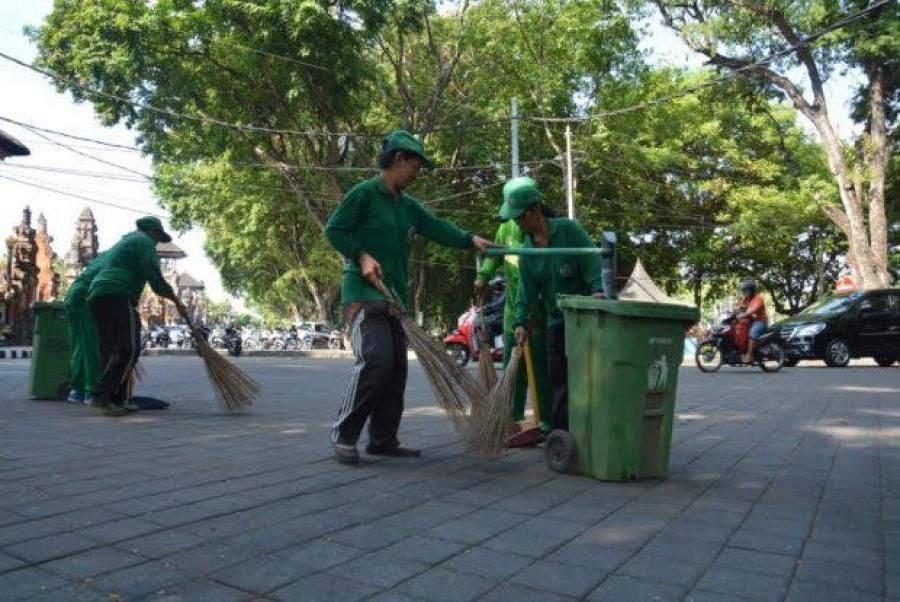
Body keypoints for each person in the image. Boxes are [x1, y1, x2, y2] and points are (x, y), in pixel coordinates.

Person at [325, 129, 497, 465]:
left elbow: (437, 226)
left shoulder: (409, 207)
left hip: (395, 300)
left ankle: (383, 439)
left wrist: (470, 240)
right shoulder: (364, 194)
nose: (417, 174)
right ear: (398, 159)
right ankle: (344, 433)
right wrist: (361, 255)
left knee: (396, 370)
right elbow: (334, 230)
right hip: (363, 295)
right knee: (376, 359)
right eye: (415, 167)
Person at [506, 177, 605, 432]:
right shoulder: (527, 252)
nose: (517, 223)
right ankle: (562, 433)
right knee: (557, 378)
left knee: (587, 376)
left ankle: (591, 428)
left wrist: (598, 290)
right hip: (556, 320)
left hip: (584, 317)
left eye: (520, 217)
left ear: (535, 210)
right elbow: (525, 292)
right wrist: (519, 322)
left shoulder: (568, 231)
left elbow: (592, 261)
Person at [475, 192, 551, 432]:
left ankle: (546, 421)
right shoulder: (506, 228)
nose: (516, 222)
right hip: (512, 315)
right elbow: (493, 256)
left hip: (539, 315)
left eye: (518, 216)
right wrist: (483, 276)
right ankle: (512, 418)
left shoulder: (542, 233)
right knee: (513, 371)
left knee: (541, 372)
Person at [88, 217, 178, 416]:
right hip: (118, 295)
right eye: (158, 238)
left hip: (97, 295)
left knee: (110, 350)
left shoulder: (126, 241)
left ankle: (115, 399)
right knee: (129, 348)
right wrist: (171, 295)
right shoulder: (144, 242)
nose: (157, 243)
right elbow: (153, 274)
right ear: (153, 232)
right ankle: (101, 395)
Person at [64, 251, 108, 404]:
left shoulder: (104, 256)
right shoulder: (123, 257)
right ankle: (92, 391)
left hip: (72, 296)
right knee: (92, 345)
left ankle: (77, 391)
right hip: (86, 297)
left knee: (80, 346)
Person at [736, 279, 767, 363]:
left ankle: (749, 355)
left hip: (760, 322)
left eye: (745, 290)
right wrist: (735, 310)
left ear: (752, 290)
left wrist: (743, 315)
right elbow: (738, 307)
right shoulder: (745, 299)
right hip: (750, 321)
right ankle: (741, 352)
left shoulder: (758, 299)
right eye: (743, 290)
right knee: (737, 329)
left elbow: (753, 310)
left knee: (752, 332)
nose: (744, 292)